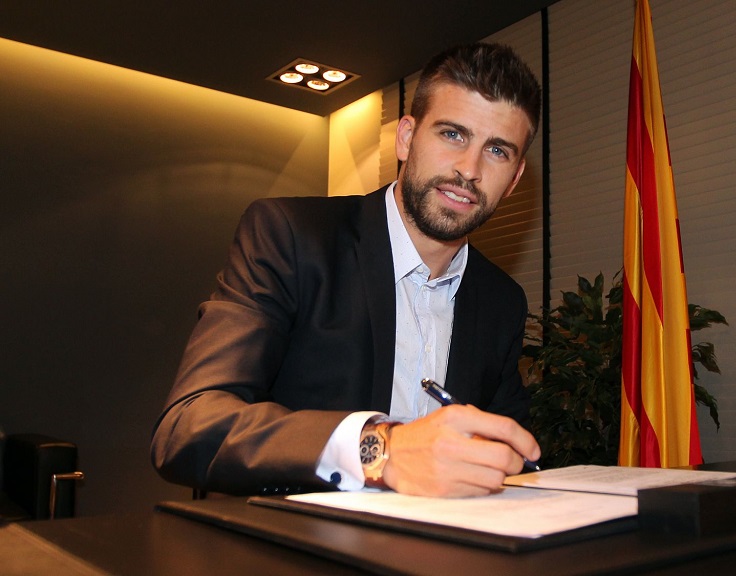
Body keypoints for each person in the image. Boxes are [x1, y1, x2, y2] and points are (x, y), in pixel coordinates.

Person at [151, 43, 542, 498]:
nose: (468, 169)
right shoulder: (290, 237)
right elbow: (188, 425)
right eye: (452, 134)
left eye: (497, 150)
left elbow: (512, 455)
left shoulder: (502, 300)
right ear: (406, 138)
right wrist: (380, 449)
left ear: (514, 180)